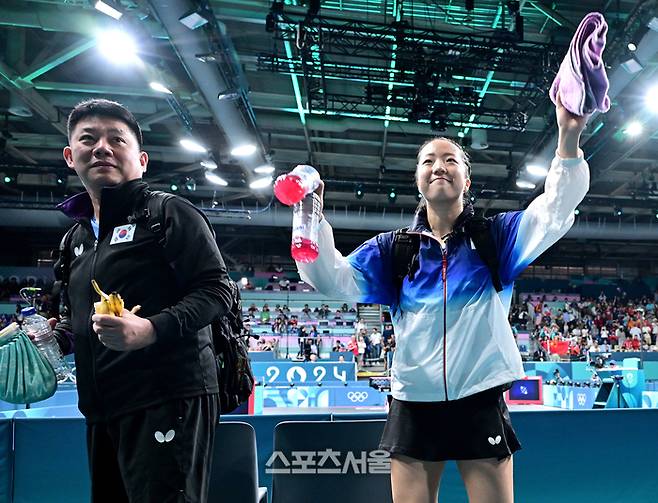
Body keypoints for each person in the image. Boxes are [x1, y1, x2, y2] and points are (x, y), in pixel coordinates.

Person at [295, 94, 589, 501]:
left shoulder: (495, 239)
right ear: (417, 179)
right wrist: (309, 219)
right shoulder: (393, 250)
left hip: (479, 397)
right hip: (413, 402)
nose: (439, 166)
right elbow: (331, 278)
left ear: (467, 180)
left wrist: (568, 138)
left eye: (451, 160)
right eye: (429, 160)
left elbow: (555, 211)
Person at [51, 99, 232, 503]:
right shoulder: (75, 240)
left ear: (142, 159)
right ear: (70, 156)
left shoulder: (166, 213)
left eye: (117, 139)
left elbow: (218, 290)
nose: (102, 148)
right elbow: (74, 316)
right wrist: (53, 339)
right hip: (101, 410)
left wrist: (151, 329)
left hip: (167, 399)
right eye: (88, 139)